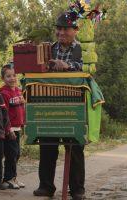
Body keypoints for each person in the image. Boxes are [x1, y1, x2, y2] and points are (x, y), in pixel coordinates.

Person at [33, 13, 85, 200]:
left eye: (66, 29)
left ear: (75, 30)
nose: (61, 32)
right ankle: (46, 187)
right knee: (47, 144)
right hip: (48, 104)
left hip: (73, 105)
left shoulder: (81, 48)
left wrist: (66, 66)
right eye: (59, 28)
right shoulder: (48, 48)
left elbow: (85, 68)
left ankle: (77, 189)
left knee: (75, 147)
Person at [0, 64, 25, 189]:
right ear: (3, 78)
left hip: (17, 128)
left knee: (17, 153)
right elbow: (3, 114)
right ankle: (8, 178)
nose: (12, 78)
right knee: (11, 154)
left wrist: (24, 124)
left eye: (14, 75)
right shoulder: (3, 93)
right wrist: (8, 129)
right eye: (8, 76)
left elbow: (21, 109)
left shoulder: (19, 91)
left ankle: (13, 177)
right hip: (9, 129)